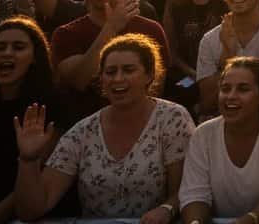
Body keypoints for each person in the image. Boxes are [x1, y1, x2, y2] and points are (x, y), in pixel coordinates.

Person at [13, 33, 194, 220]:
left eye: (128, 70)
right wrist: (28, 159)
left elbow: (186, 191)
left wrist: (167, 208)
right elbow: (31, 211)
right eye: (110, 72)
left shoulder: (172, 119)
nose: (118, 78)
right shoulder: (84, 131)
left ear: (149, 75)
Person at [0, 17, 63, 223]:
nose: (7, 53)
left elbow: (39, 174)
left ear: (34, 57)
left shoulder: (52, 105)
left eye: (18, 47)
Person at [51, 0, 170, 119]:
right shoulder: (66, 34)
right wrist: (111, 27)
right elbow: (79, 80)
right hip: (87, 123)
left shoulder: (151, 29)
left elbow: (157, 86)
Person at [180, 57, 259, 224]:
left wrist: (244, 222)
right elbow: (194, 194)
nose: (231, 96)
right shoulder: (203, 134)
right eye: (225, 89)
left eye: (243, 89)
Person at [161, 0, 228, 109]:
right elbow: (171, 49)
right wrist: (192, 72)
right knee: (179, 92)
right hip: (188, 73)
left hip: (222, 71)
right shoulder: (176, 0)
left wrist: (212, 73)